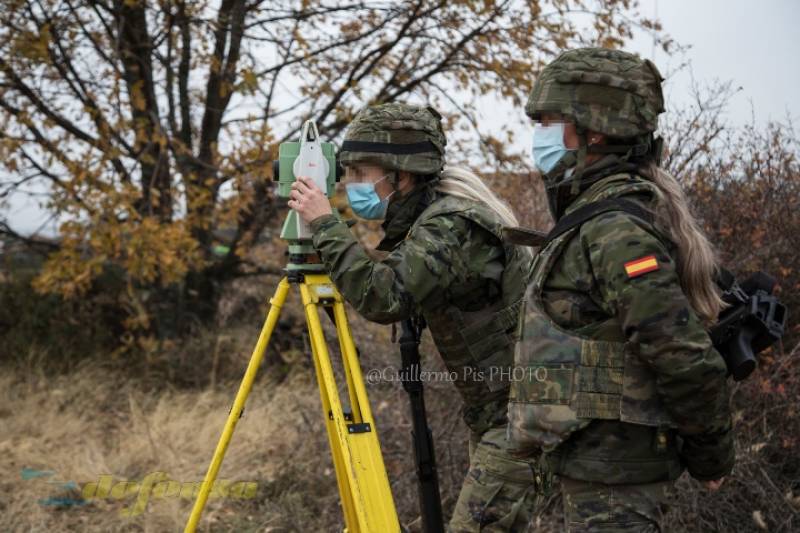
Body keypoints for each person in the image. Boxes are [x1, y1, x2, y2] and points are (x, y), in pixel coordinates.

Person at [506, 47, 734, 532]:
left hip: (617, 472)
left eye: (548, 121)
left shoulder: (614, 229)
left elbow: (680, 354)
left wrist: (711, 455)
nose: (539, 134)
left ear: (595, 131)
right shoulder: (596, 214)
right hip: (597, 462)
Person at [288, 102, 540, 531]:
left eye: (360, 173)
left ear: (401, 175)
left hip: (523, 414)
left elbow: (382, 296)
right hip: (501, 412)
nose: (350, 184)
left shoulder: (451, 227)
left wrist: (325, 225)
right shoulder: (434, 216)